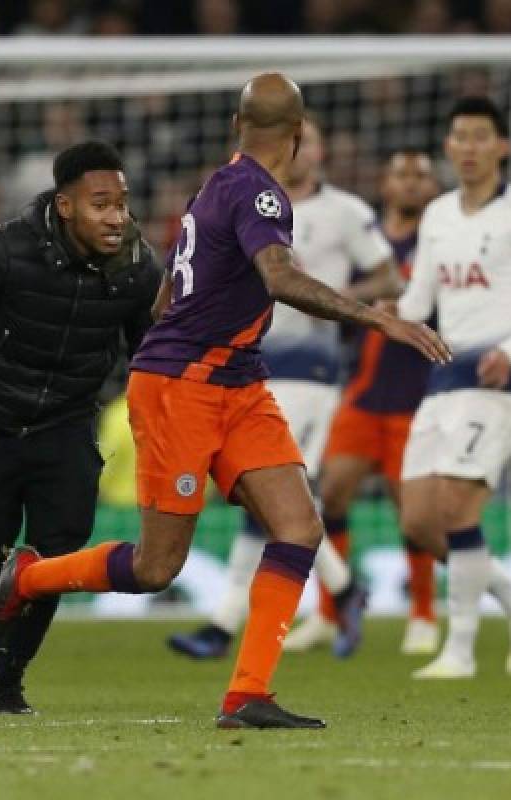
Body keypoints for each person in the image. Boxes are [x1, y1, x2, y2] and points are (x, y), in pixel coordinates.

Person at [0, 73, 450, 729]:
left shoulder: (213, 188)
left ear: (236, 124)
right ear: (300, 133)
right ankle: (26, 578)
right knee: (156, 564)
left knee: (299, 527)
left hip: (237, 383)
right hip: (187, 387)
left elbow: (170, 290)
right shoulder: (261, 194)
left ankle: (246, 695)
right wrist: (379, 319)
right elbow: (277, 278)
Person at [0, 140, 163, 715]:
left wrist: (162, 428)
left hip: (66, 425)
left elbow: (150, 357)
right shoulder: (6, 250)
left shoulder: (141, 269)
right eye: (102, 204)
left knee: (56, 562)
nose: (117, 217)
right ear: (66, 207)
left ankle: (3, 686)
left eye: (122, 203)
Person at [166, 116, 400, 662]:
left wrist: (337, 294)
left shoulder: (345, 212)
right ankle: (342, 590)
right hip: (251, 363)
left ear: (317, 152)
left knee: (263, 490)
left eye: (310, 140)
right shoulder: (247, 200)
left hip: (311, 369)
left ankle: (225, 627)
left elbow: (390, 279)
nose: (298, 149)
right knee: (271, 498)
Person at [395, 97, 511, 679]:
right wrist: (376, 312)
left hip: (497, 381)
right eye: (459, 137)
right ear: (448, 148)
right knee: (419, 522)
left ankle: (461, 650)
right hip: (443, 379)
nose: (468, 148)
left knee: (454, 504)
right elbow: (420, 303)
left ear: (503, 146)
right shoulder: (437, 216)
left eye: (480, 137)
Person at [291, 149, 442, 657]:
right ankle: (329, 614)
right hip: (361, 394)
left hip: (414, 398)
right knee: (328, 497)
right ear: (386, 183)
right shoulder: (370, 242)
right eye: (401, 172)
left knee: (412, 515)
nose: (411, 182)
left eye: (420, 174)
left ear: (433, 187)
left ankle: (423, 615)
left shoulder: (442, 244)